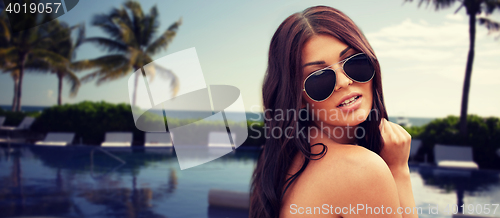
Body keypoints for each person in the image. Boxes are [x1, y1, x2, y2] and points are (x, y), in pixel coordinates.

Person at [249, 5, 418, 218]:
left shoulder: (284, 160)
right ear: (297, 98)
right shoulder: (361, 169)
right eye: (318, 78)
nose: (344, 82)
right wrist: (399, 170)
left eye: (354, 62)